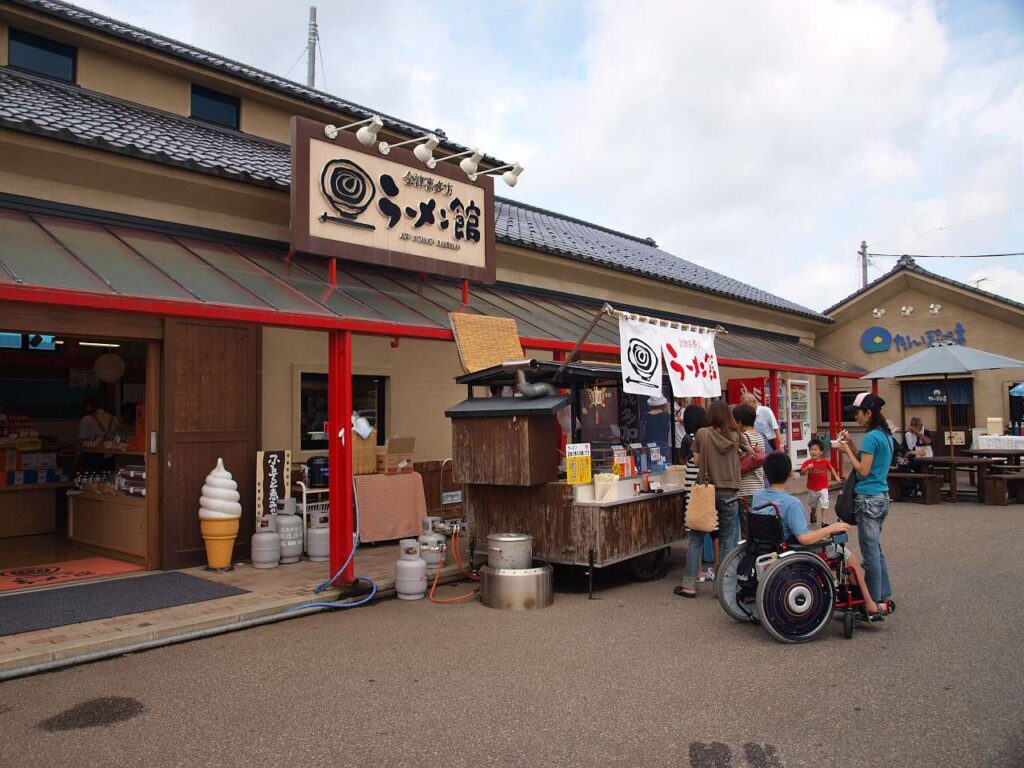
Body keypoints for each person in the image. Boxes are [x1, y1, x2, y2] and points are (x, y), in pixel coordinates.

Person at [752, 452, 888, 618]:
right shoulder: (791, 503)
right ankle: (870, 605)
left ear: (765, 473)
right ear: (789, 473)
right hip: (793, 549)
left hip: (767, 547)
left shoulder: (758, 496)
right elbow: (804, 538)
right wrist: (831, 528)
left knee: (826, 542)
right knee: (848, 557)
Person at [675, 400, 749, 598]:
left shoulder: (702, 434)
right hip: (730, 492)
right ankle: (723, 588)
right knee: (726, 539)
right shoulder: (736, 436)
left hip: (706, 491)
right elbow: (750, 454)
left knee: (696, 539)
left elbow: (696, 461)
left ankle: (689, 586)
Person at [837, 392, 897, 615]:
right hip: (881, 496)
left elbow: (862, 470)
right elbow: (865, 462)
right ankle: (882, 593)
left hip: (868, 499)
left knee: (870, 554)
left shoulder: (872, 437)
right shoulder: (885, 435)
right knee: (876, 550)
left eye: (858, 413)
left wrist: (844, 451)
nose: (856, 418)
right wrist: (851, 445)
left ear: (869, 413)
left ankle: (871, 601)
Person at [732, 403, 765, 540]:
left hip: (745, 490)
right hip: (759, 488)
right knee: (758, 525)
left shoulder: (742, 438)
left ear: (739, 422)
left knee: (747, 530)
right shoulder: (760, 436)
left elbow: (736, 460)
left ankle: (749, 557)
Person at [799, 437, 839, 525]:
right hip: (812, 488)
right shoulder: (807, 462)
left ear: (821, 452)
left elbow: (831, 468)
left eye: (815, 450)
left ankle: (824, 521)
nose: (813, 452)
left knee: (825, 503)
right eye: (811, 450)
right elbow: (802, 472)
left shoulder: (825, 461)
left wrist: (836, 476)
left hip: (823, 487)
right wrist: (807, 468)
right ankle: (813, 514)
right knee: (813, 505)